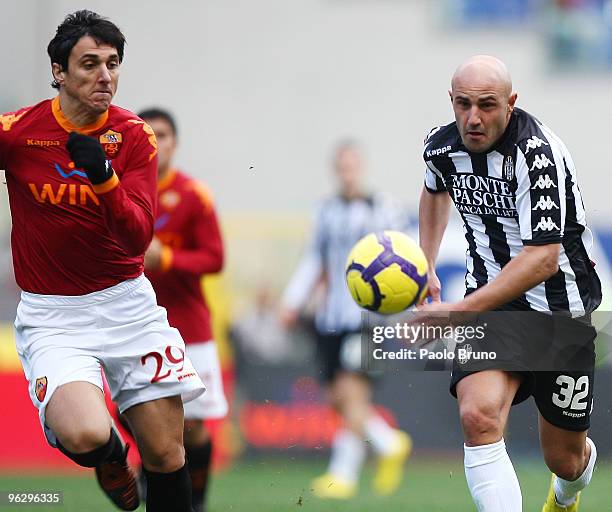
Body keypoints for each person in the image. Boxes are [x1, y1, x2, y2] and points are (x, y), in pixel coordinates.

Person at [2, 11, 205, 512]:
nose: (105, 76)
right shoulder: (18, 132)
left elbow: (137, 238)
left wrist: (105, 178)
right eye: (89, 64)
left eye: (112, 64)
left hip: (126, 306)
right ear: (59, 72)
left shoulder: (134, 136)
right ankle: (112, 459)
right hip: (54, 316)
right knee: (87, 433)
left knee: (165, 451)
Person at [418, 55, 601, 512]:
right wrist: (425, 263)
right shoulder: (441, 146)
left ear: (511, 103)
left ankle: (565, 496)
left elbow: (541, 261)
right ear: (451, 101)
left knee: (564, 459)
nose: (473, 118)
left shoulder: (538, 156)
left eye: (487, 105)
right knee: (477, 416)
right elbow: (434, 188)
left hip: (560, 311)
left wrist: (458, 311)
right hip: (495, 309)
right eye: (463, 104)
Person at [280, 141, 412, 499]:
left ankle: (343, 475)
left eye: (353, 165)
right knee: (336, 397)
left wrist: (401, 314)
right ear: (335, 170)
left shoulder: (384, 208)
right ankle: (386, 442)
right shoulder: (324, 210)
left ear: (362, 167)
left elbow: (405, 262)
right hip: (329, 317)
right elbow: (313, 260)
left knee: (352, 393)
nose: (348, 172)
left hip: (368, 319)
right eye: (342, 166)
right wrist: (292, 301)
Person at [138, 107, 227, 512]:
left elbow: (214, 259)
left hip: (189, 327)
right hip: (134, 326)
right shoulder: (117, 190)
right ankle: (151, 471)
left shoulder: (193, 195)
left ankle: (200, 501)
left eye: (164, 134)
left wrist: (168, 259)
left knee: (191, 427)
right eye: (149, 134)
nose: (157, 142)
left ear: (176, 143)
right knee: (137, 413)